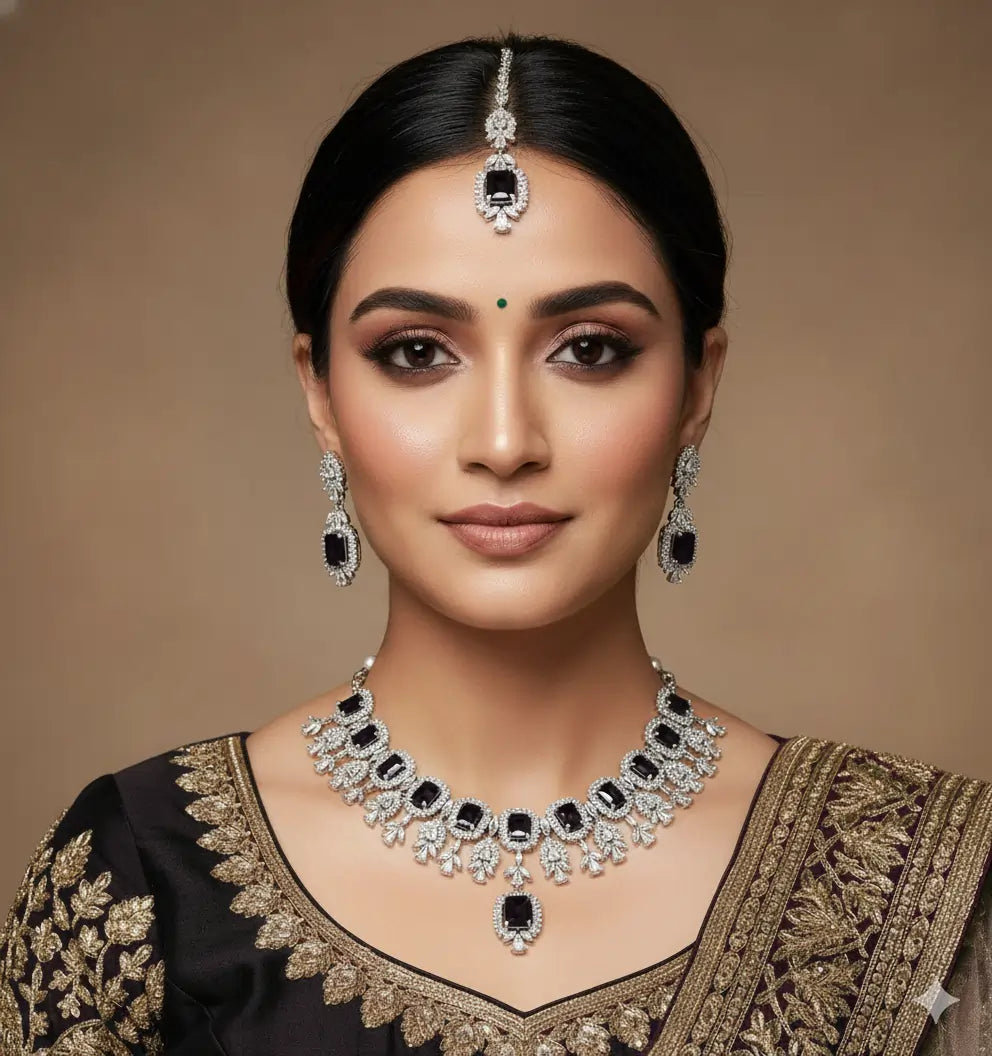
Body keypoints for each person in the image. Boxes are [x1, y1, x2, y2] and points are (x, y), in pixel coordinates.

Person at [1, 30, 989, 1056]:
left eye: (589, 350)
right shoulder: (143, 878)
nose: (507, 442)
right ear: (320, 393)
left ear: (697, 386)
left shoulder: (920, 880)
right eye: (416, 353)